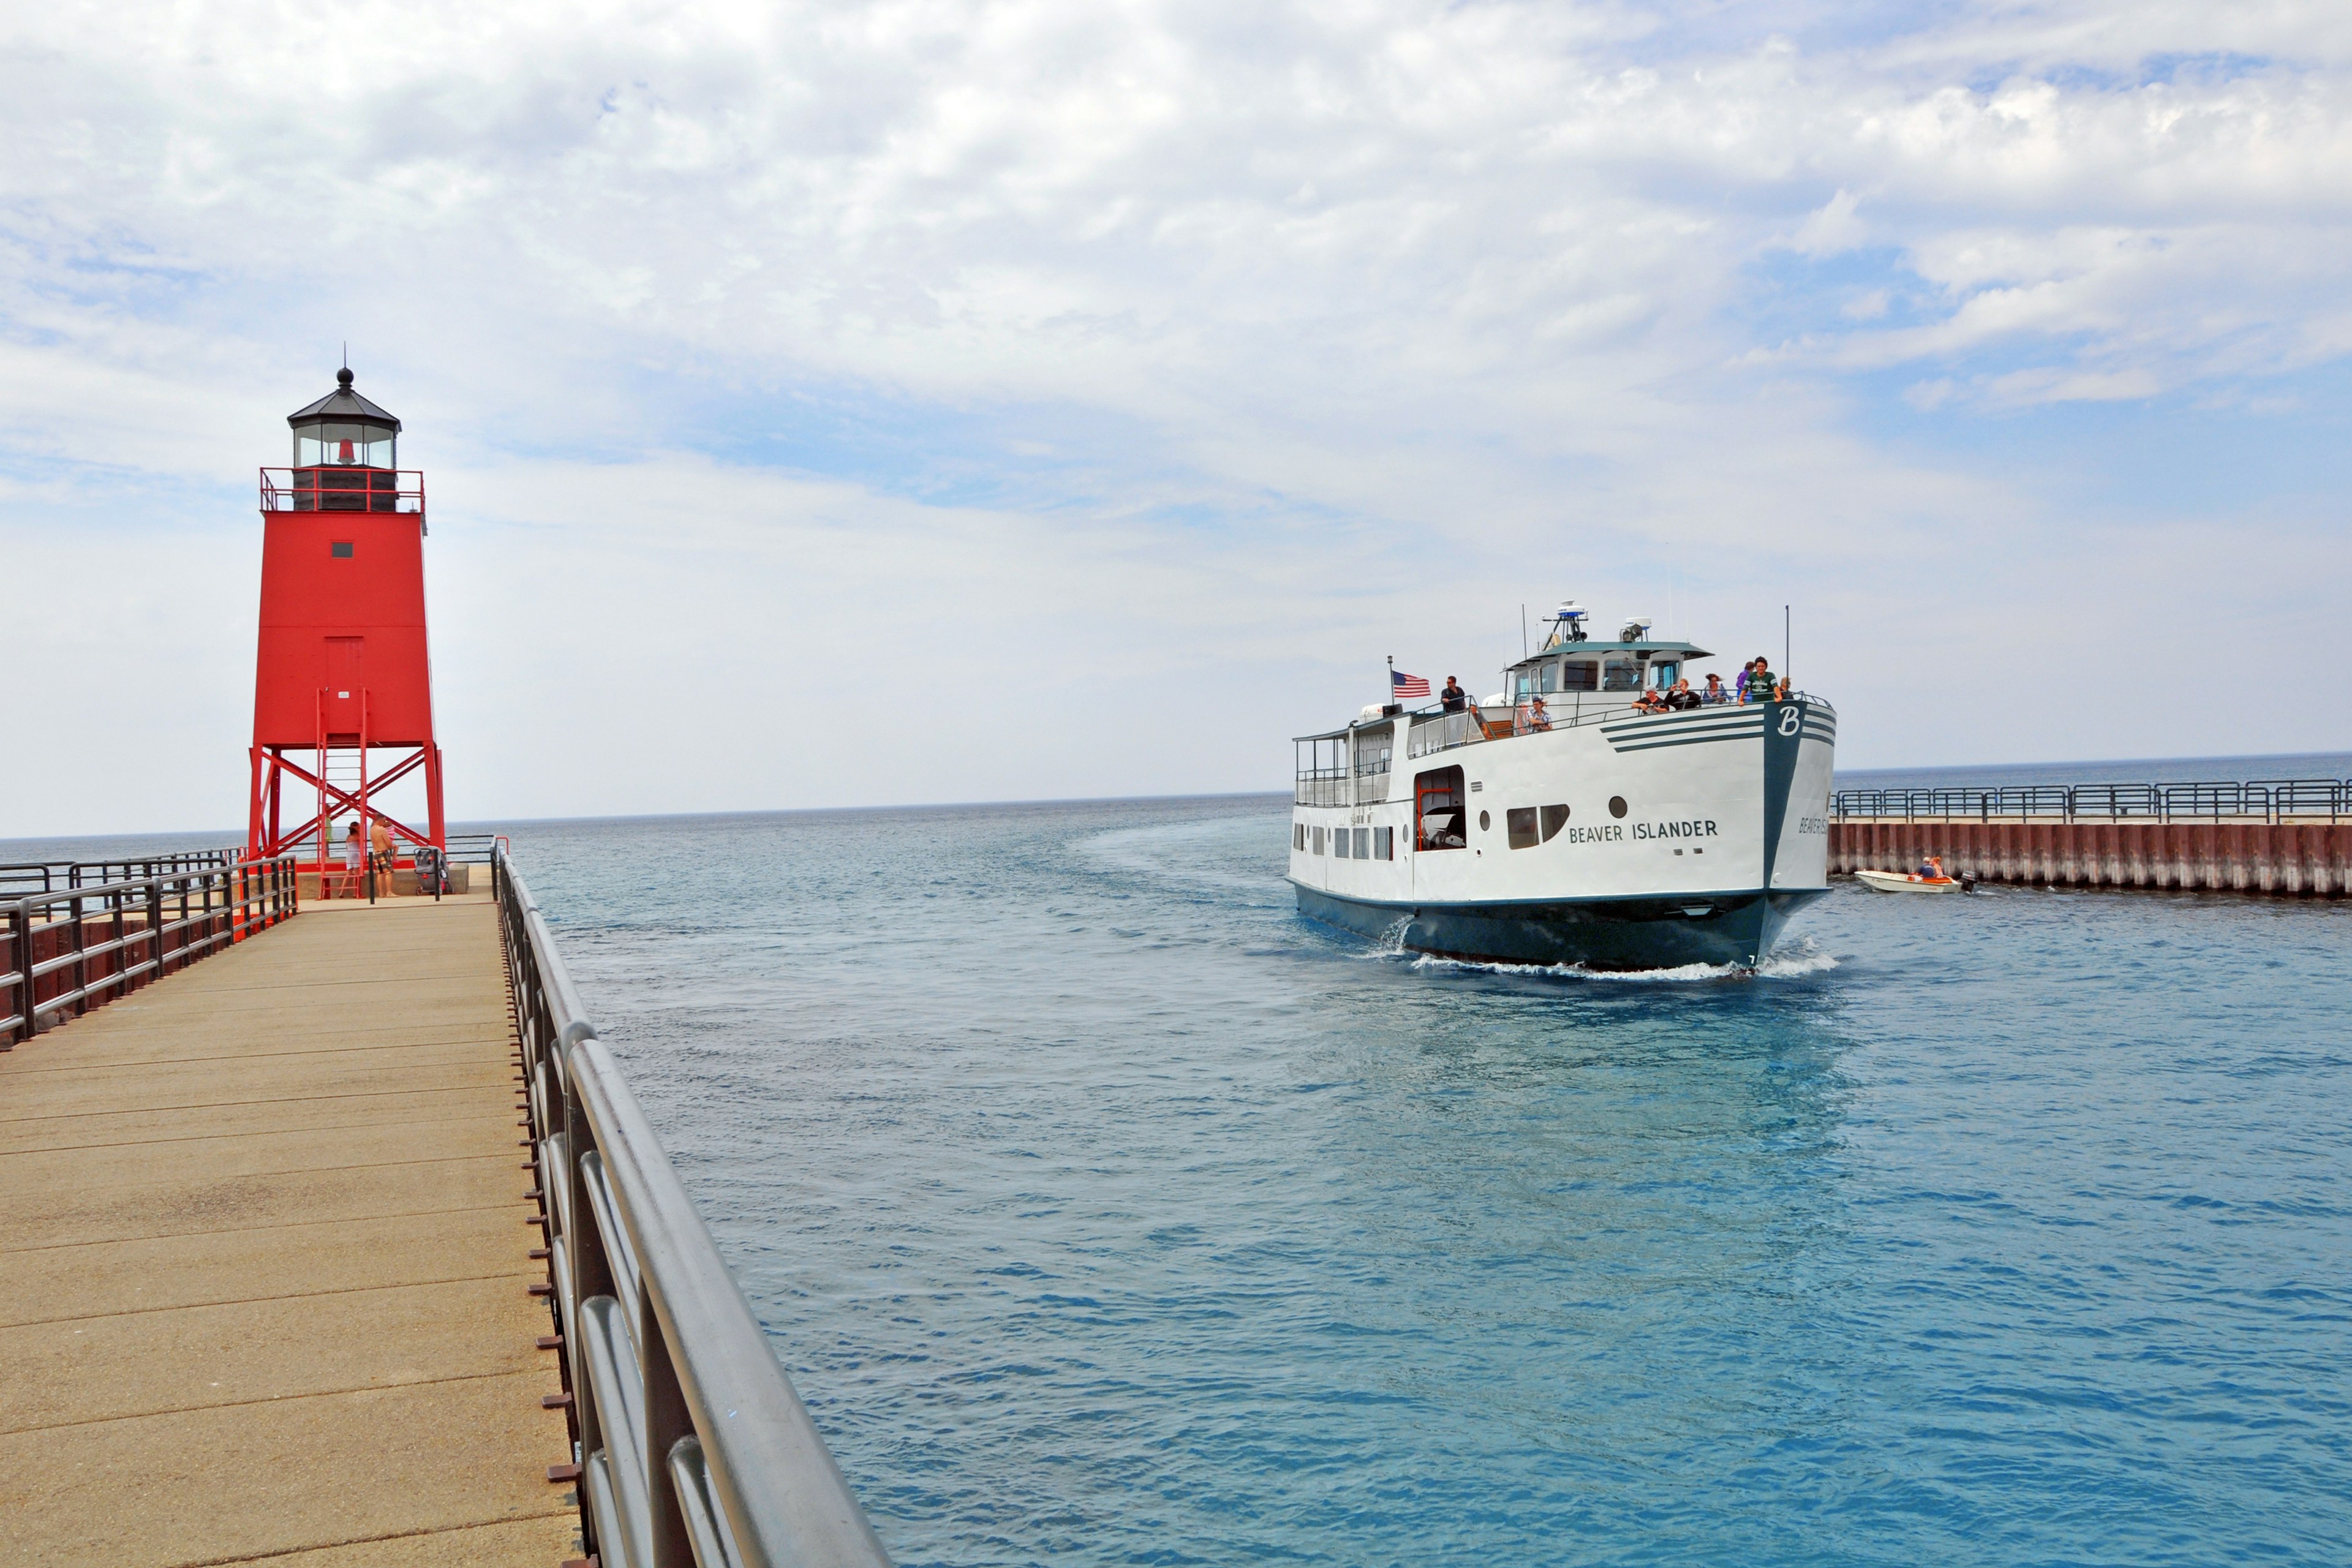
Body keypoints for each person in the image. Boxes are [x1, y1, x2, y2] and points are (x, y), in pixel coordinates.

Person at [335, 820, 363, 898]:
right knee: (357, 875)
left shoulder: (349, 836)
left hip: (349, 854)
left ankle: (342, 892)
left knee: (349, 874)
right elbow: (361, 845)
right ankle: (356, 893)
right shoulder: (358, 835)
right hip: (356, 854)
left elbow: (347, 847)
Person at [369, 816, 394, 898]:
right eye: (384, 821)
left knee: (380, 873)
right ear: (380, 820)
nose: (384, 823)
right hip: (383, 851)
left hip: (376, 852)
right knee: (388, 872)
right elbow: (388, 843)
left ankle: (381, 893)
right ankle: (389, 892)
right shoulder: (381, 830)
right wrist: (391, 846)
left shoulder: (372, 829)